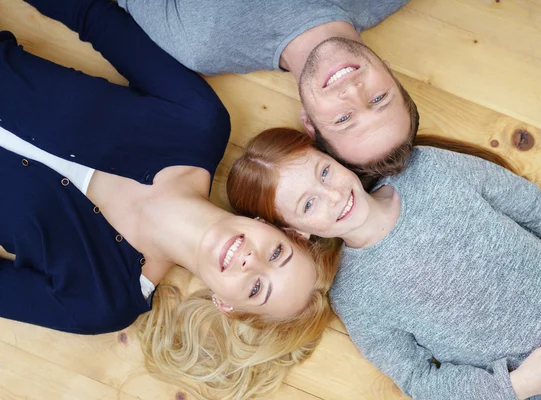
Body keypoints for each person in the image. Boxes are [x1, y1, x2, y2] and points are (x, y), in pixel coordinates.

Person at [0, 1, 338, 398]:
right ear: (272, 226)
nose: (252, 263)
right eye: (277, 254)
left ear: (226, 305)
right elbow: (92, 14)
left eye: (255, 290)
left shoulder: (101, 302)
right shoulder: (198, 120)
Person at [226, 127, 541, 400]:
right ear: (295, 231)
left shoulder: (428, 168)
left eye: (324, 172)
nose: (334, 195)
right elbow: (419, 380)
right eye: (308, 204)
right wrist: (516, 387)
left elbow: (537, 210)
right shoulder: (354, 295)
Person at [115, 0, 419, 176]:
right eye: (379, 98)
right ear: (391, 74)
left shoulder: (203, 44)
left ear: (310, 123)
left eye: (343, 119)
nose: (353, 93)